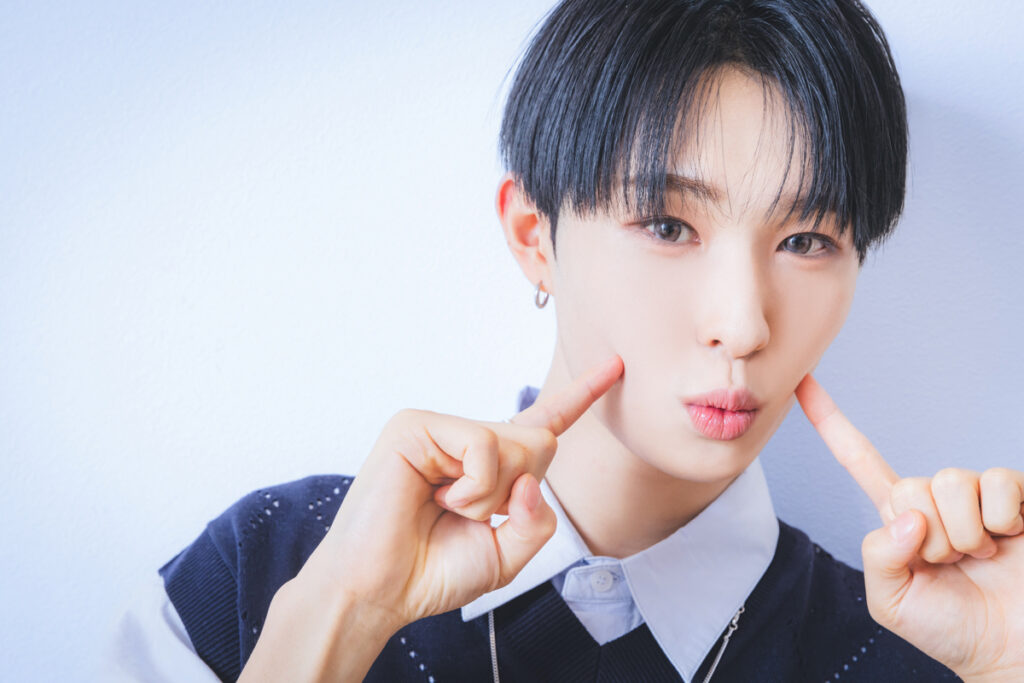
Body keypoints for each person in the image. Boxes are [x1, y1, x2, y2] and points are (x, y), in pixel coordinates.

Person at [108, 0, 1024, 681]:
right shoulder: (266, 571)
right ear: (533, 235)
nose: (745, 325)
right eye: (668, 226)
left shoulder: (922, 648)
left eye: (807, 240)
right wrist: (340, 617)